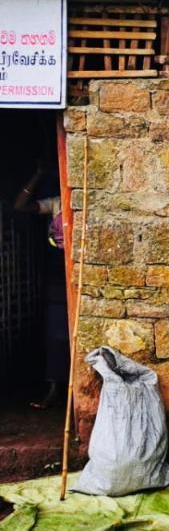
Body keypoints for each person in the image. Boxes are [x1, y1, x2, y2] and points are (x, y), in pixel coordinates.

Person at [13, 160, 69, 410]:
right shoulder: (56, 202)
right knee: (56, 333)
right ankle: (54, 389)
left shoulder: (85, 202)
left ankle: (77, 390)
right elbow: (19, 206)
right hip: (57, 270)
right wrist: (37, 175)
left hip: (78, 267)